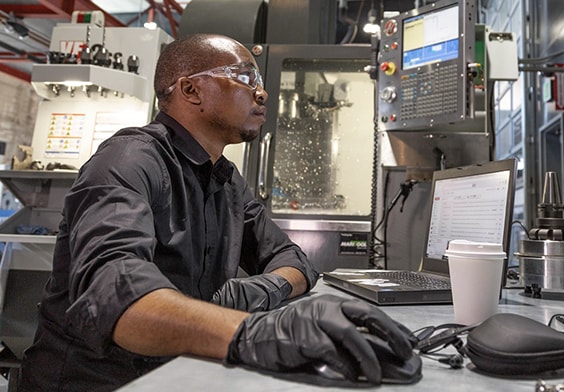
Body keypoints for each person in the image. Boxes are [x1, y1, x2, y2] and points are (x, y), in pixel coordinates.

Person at [18, 34, 414, 391]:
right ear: (191, 90)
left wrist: (257, 290)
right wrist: (255, 332)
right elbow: (117, 301)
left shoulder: (225, 179)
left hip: (179, 371)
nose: (261, 94)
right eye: (245, 78)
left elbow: (292, 260)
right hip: (96, 381)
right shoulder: (129, 160)